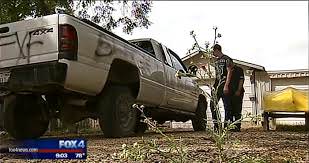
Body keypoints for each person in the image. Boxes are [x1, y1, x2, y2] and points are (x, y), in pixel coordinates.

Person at [210, 44, 234, 131]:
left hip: (224, 84)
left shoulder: (227, 59)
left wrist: (226, 85)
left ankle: (226, 126)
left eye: (213, 51)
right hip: (217, 84)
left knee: (227, 106)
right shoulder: (216, 61)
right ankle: (217, 126)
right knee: (212, 105)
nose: (212, 53)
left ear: (217, 50)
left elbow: (229, 71)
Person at [229, 65, 245, 131]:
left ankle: (237, 126)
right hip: (229, 92)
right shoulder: (226, 69)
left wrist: (238, 90)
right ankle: (231, 126)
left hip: (237, 92)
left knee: (237, 110)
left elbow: (241, 80)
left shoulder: (238, 69)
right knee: (230, 110)